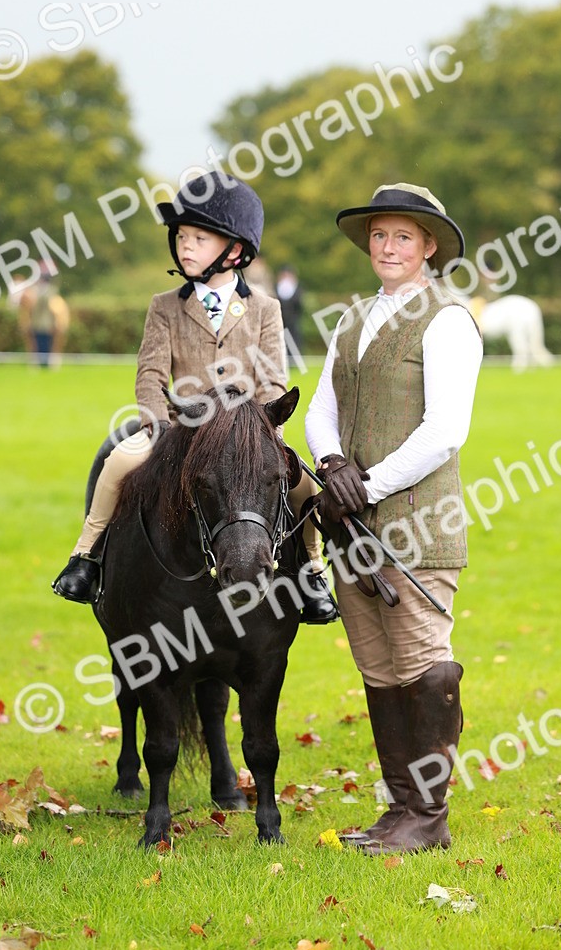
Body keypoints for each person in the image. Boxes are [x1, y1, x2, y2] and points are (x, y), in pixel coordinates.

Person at [52, 170, 337, 624]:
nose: (185, 246)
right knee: (118, 462)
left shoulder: (265, 308)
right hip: (179, 428)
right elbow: (149, 373)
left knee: (301, 483)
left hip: (245, 431)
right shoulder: (164, 306)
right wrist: (156, 423)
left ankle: (312, 574)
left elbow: (272, 381)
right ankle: (86, 557)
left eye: (199, 238)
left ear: (236, 251)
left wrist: (266, 430)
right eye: (182, 236)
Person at [305, 183, 483, 854]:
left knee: (425, 666)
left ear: (428, 246)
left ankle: (429, 818)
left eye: (402, 236)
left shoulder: (448, 320)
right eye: (379, 235)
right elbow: (323, 407)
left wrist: (367, 483)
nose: (388, 247)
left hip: (416, 526)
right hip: (352, 529)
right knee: (380, 671)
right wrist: (332, 461)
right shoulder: (352, 320)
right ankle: (400, 811)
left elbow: (446, 429)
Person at [18, 268, 70, 368]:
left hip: (42, 324)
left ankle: (43, 364)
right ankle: (43, 364)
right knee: (42, 346)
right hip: (42, 324)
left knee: (43, 347)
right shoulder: (48, 291)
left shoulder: (43, 292)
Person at [275, 265, 303, 365]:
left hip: (293, 319)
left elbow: (299, 303)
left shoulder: (296, 287)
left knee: (294, 339)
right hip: (280, 318)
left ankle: (294, 361)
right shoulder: (277, 286)